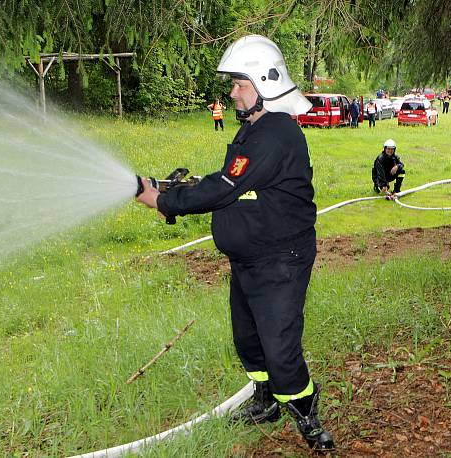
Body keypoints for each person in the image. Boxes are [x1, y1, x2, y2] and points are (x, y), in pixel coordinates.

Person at [136, 34, 334, 452]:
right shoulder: (254, 130)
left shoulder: (276, 134)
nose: (232, 92)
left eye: (239, 84)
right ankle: (265, 401)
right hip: (251, 258)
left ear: (264, 84)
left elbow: (226, 185)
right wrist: (173, 186)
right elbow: (227, 179)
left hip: (280, 261)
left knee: (279, 347)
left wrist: (163, 199)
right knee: (249, 338)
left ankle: (307, 415)